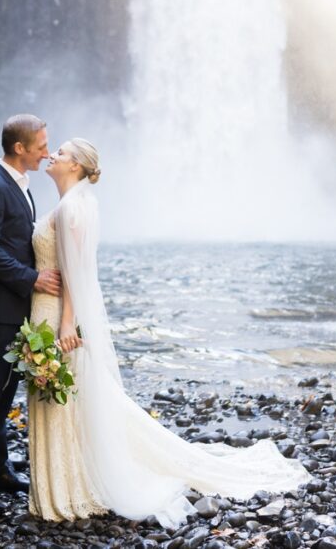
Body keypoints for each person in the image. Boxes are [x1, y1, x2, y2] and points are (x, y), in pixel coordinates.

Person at [28, 138, 312, 528]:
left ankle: (69, 488)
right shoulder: (78, 203)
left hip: (58, 314)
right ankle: (70, 481)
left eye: (60, 153)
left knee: (63, 400)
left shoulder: (69, 209)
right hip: (51, 309)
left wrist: (66, 323)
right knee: (70, 400)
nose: (52, 156)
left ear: (75, 166)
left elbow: (76, 275)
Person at [0, 114, 62, 518]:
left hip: (15, 309)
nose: (47, 152)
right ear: (19, 148)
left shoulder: (18, 184)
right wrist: (33, 279)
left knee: (3, 397)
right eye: (41, 145)